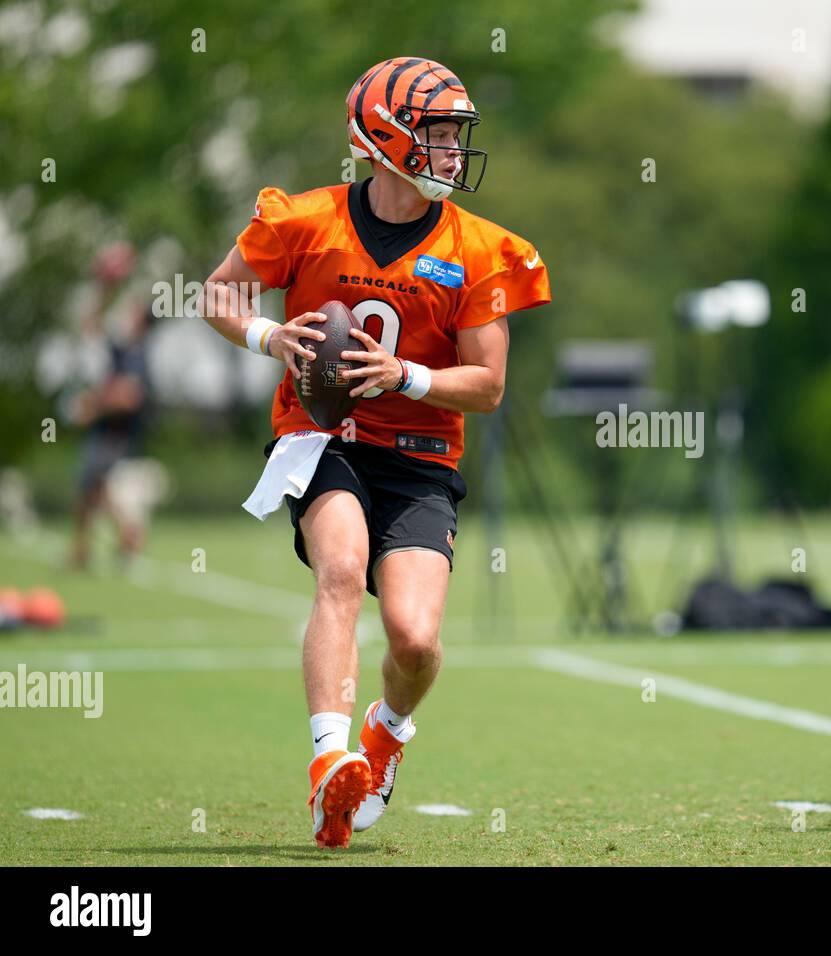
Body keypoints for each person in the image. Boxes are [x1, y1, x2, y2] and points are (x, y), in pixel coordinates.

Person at [200, 57, 550, 849]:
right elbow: (218, 293)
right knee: (341, 570)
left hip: (421, 454)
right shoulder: (306, 219)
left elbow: (488, 386)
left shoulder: (480, 249)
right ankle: (331, 760)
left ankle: (386, 732)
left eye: (458, 136)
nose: (454, 152)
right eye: (438, 134)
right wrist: (266, 334)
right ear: (388, 137)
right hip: (323, 437)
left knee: (416, 641)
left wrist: (406, 375)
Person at [69, 243, 153, 571]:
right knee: (92, 488)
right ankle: (89, 549)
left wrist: (93, 407)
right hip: (108, 427)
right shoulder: (124, 347)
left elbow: (130, 396)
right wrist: (103, 288)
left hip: (117, 430)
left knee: (92, 487)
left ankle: (123, 537)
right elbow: (92, 326)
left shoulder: (137, 352)